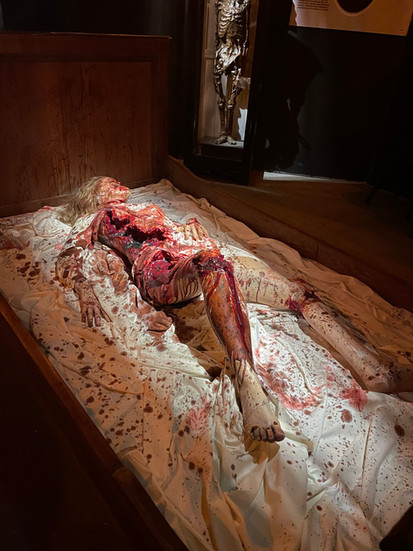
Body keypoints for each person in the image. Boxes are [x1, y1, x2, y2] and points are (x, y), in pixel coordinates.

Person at [56, 177, 402, 443]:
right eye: (107, 182)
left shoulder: (146, 206)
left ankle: (370, 366)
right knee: (213, 264)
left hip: (200, 259)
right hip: (162, 270)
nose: (117, 182)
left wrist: (191, 221)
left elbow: (174, 229)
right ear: (94, 195)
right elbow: (70, 253)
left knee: (296, 290)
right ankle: (247, 383)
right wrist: (85, 291)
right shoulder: (101, 216)